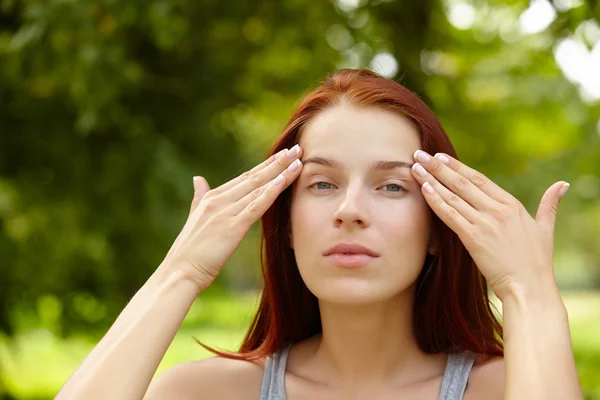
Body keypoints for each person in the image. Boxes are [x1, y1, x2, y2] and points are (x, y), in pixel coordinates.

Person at [56, 68, 583, 400]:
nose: (350, 210)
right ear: (284, 223)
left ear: (438, 228)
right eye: (323, 184)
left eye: (393, 187)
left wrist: (529, 291)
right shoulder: (203, 393)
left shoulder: (503, 390)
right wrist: (181, 272)